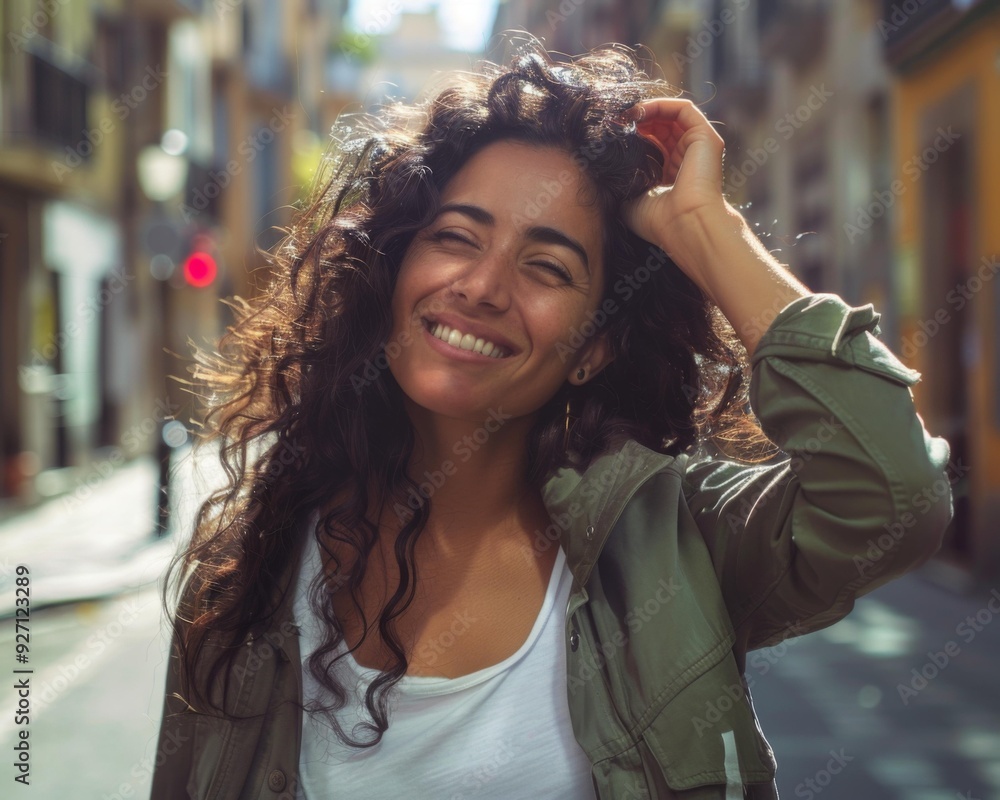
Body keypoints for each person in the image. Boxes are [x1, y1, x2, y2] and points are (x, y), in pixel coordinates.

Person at [150, 37, 952, 800]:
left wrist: (708, 231)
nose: (483, 286)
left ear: (594, 349)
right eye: (456, 237)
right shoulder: (247, 570)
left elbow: (893, 495)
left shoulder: (673, 546)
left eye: (546, 266)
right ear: (393, 276)